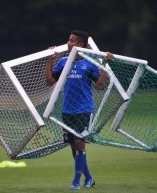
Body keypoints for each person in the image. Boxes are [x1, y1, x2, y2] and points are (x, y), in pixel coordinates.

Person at [45, 30, 113, 190]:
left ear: (81, 45)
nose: (68, 43)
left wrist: (104, 64)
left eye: (72, 41)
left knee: (80, 143)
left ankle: (76, 181)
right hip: (67, 111)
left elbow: (100, 85)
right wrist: (49, 60)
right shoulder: (63, 62)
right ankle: (89, 178)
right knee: (73, 147)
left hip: (84, 109)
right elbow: (49, 81)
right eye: (69, 40)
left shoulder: (89, 63)